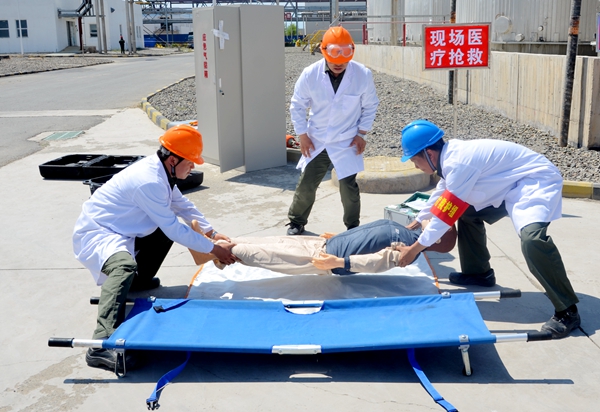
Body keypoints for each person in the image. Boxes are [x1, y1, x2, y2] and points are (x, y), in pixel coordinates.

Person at [73, 124, 237, 372]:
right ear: (173, 160)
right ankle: (101, 344)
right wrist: (214, 249)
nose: (192, 168)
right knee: (124, 265)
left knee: (162, 232)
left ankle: (136, 283)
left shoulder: (163, 174)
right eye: (190, 163)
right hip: (99, 232)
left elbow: (183, 206)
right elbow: (174, 228)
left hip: (122, 228)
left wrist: (211, 232)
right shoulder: (148, 181)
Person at [396, 119, 580, 339]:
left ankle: (568, 311)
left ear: (429, 154)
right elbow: (442, 192)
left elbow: (445, 216)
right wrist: (419, 218)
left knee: (532, 240)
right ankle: (479, 273)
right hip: (507, 185)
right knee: (468, 212)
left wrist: (415, 249)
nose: (416, 167)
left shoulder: (459, 162)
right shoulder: (449, 158)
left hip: (534, 182)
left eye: (415, 161)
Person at [286, 26, 379, 235]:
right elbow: (297, 105)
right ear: (324, 52)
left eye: (344, 61)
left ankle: (352, 227)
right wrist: (302, 135)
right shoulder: (310, 74)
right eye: (334, 60)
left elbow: (370, 105)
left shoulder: (362, 74)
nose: (339, 64)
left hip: (347, 140)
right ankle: (296, 221)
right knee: (307, 183)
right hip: (317, 139)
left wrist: (362, 134)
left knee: (348, 188)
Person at [189, 219, 456, 276]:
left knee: (266, 255)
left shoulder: (409, 251)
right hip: (326, 244)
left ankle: (209, 252)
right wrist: (341, 235)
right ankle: (214, 248)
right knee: (268, 242)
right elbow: (368, 234)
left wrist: (339, 263)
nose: (429, 221)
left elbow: (376, 263)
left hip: (327, 258)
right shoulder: (407, 231)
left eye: (434, 226)